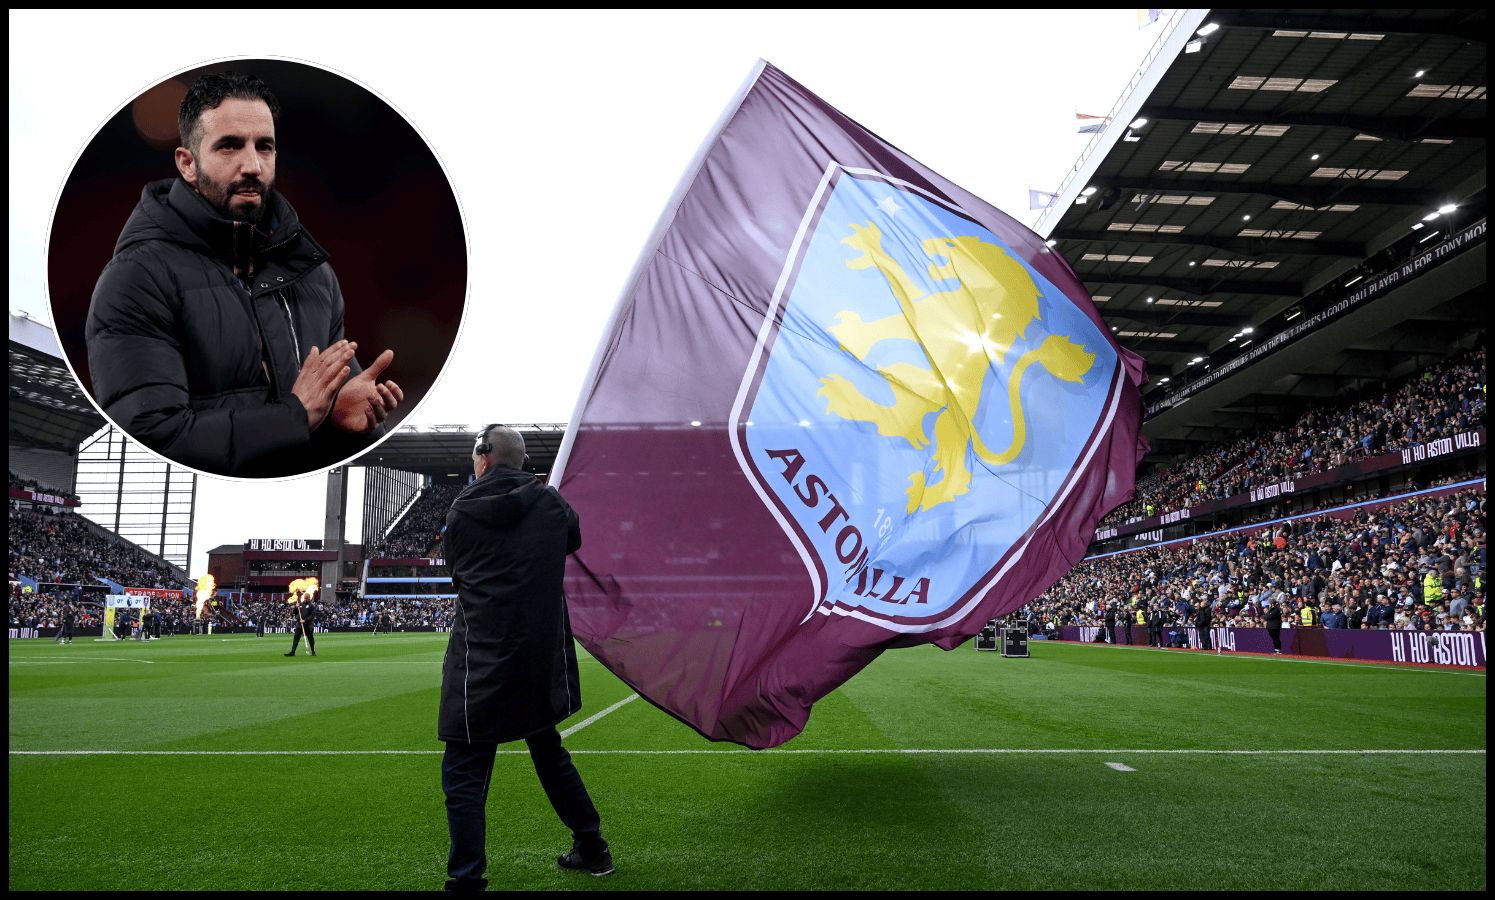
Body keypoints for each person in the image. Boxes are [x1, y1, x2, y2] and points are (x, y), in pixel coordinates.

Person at [84, 71, 403, 477]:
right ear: (187, 163)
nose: (251, 165)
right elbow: (150, 439)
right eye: (230, 146)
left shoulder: (315, 277)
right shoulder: (136, 279)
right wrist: (295, 416)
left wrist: (343, 426)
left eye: (264, 147)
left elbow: (316, 433)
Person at [438, 424, 611, 891]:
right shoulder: (551, 504)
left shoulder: (463, 510)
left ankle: (467, 878)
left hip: (481, 660)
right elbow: (573, 540)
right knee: (549, 753)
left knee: (465, 770)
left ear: (484, 456)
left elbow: (456, 572)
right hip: (538, 657)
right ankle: (593, 848)